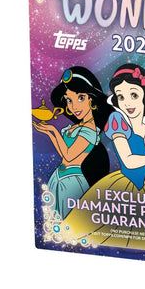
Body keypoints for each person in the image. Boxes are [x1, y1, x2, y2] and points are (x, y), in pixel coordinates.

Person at [62, 64, 145, 250]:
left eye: (134, 95)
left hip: (141, 194)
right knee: (90, 235)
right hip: (119, 186)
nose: (127, 103)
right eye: (121, 96)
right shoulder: (117, 121)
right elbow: (128, 161)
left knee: (137, 244)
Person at [33, 66, 113, 219]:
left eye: (80, 98)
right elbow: (63, 154)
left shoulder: (90, 130)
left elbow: (69, 156)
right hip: (58, 178)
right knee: (54, 221)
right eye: (69, 100)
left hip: (72, 183)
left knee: (69, 222)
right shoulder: (77, 127)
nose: (74, 106)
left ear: (91, 99)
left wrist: (53, 130)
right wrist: (49, 132)